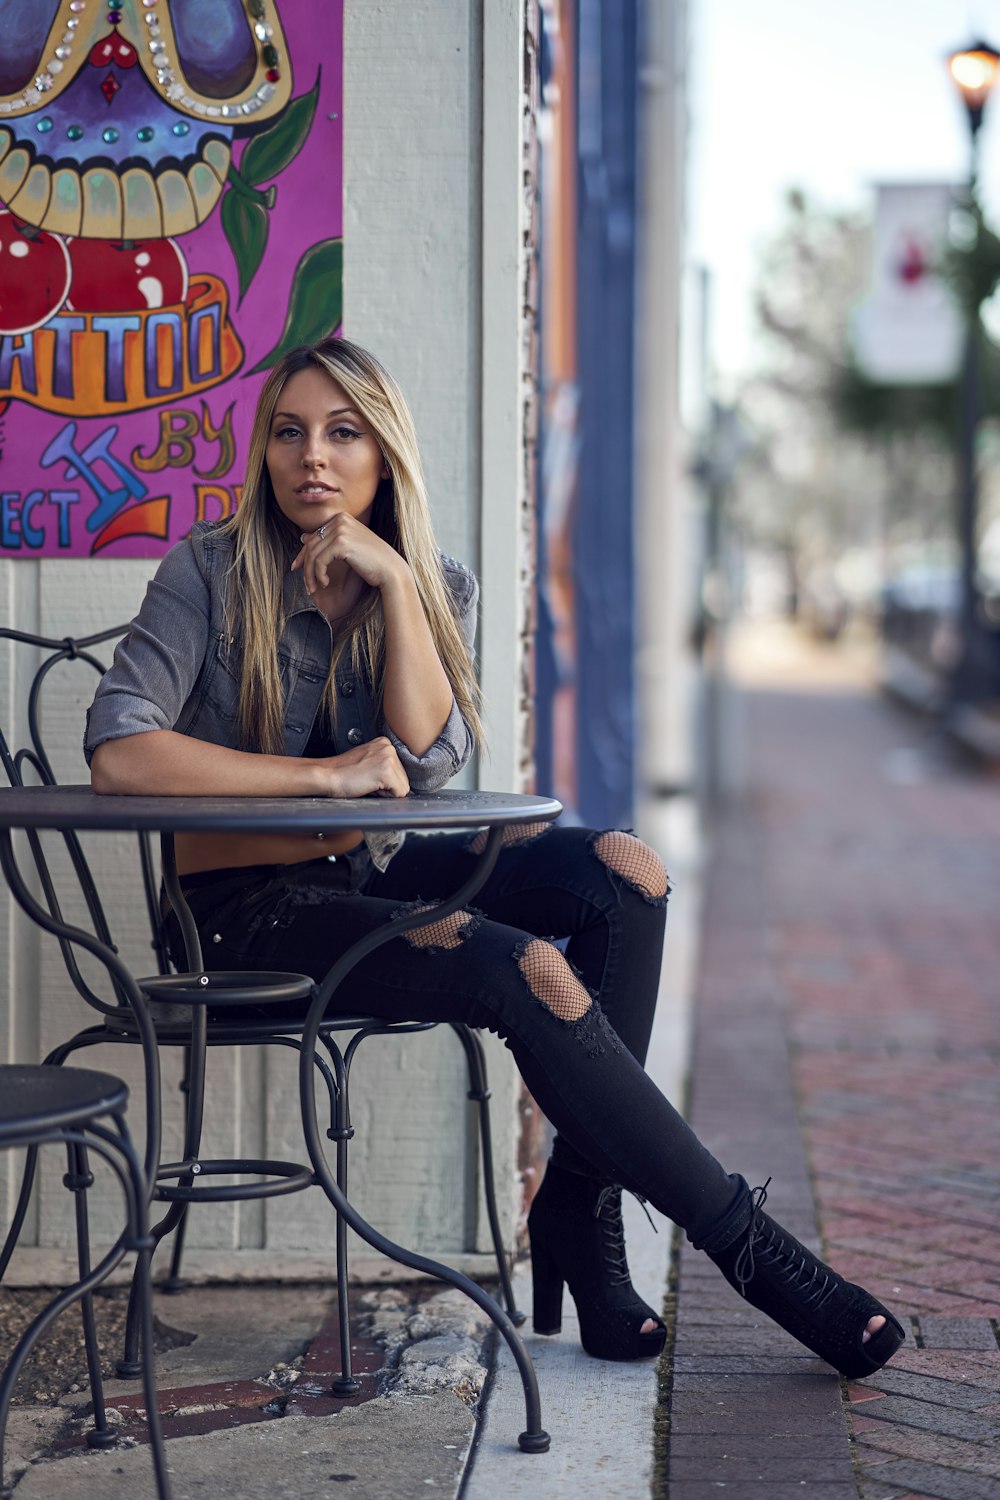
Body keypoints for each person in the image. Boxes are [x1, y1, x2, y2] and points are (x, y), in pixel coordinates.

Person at [86, 336, 904, 1377]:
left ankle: (575, 1204)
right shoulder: (204, 571)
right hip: (236, 918)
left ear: (386, 454)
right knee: (525, 967)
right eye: (288, 433)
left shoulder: (427, 582)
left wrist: (393, 584)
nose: (313, 460)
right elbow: (118, 749)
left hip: (363, 881)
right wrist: (322, 779)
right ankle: (753, 1253)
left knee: (626, 872)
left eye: (344, 434)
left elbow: (430, 771)